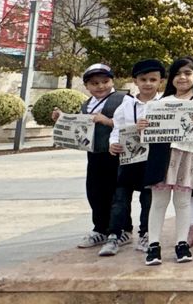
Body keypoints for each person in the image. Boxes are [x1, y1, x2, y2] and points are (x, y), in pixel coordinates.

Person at [140, 57, 193, 265]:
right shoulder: (160, 103)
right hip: (161, 156)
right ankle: (153, 245)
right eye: (178, 73)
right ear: (171, 77)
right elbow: (145, 135)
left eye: (188, 73)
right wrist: (142, 128)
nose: (182, 78)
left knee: (182, 203)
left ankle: (182, 243)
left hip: (187, 157)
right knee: (159, 202)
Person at [54, 63, 124, 253]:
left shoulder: (122, 99)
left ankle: (121, 229)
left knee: (116, 193)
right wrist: (62, 118)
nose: (100, 86)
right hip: (94, 154)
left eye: (105, 81)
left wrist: (107, 121)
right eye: (94, 83)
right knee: (95, 191)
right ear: (87, 86)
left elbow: (131, 123)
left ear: (112, 81)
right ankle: (100, 228)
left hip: (115, 153)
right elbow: (79, 124)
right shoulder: (86, 104)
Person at [106, 59, 164, 255]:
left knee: (148, 199)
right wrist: (113, 143)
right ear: (135, 81)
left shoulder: (164, 104)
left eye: (153, 79)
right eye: (143, 79)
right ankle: (115, 234)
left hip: (151, 159)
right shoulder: (126, 104)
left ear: (160, 82)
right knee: (120, 198)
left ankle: (146, 233)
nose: (148, 83)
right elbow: (117, 127)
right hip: (128, 159)